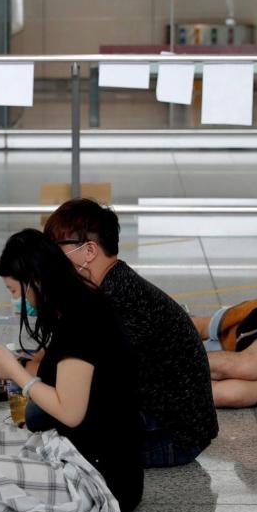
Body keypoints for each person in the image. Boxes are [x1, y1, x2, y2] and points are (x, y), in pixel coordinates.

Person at [0, 230, 144, 512]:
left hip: (99, 476)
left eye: (16, 291)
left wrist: (15, 370)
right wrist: (13, 366)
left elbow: (70, 412)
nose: (18, 301)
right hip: (77, 448)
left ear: (36, 280)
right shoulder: (78, 307)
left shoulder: (82, 324)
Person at [42, 199, 217, 467]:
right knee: (44, 407)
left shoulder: (116, 298)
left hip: (174, 439)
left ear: (89, 250)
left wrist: (23, 372)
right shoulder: (117, 282)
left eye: (55, 249)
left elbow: (82, 378)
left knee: (44, 416)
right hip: (176, 424)